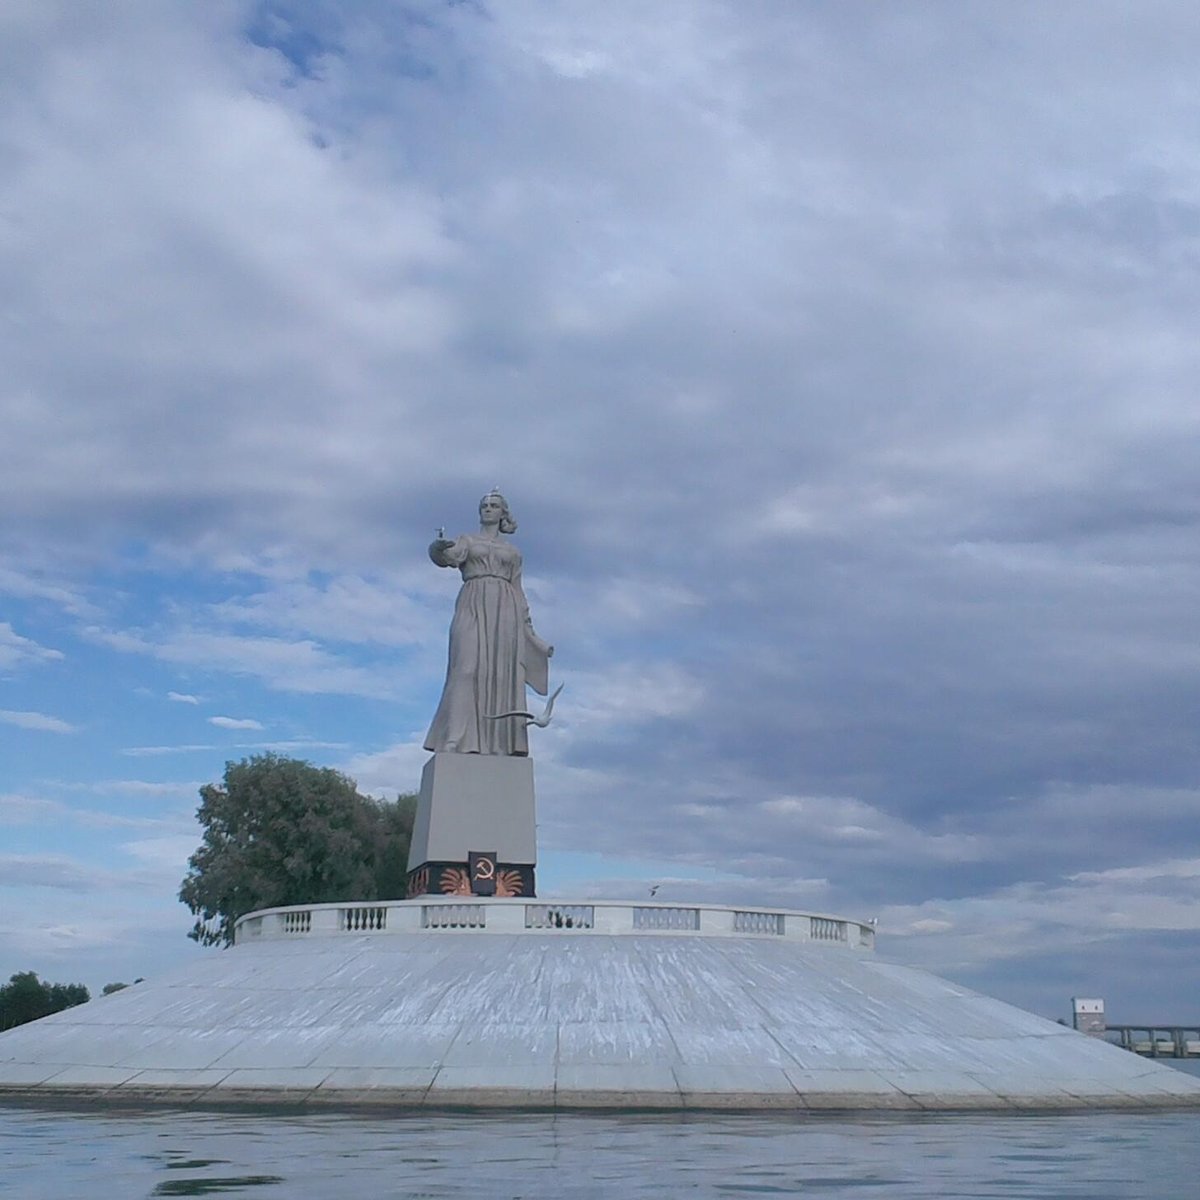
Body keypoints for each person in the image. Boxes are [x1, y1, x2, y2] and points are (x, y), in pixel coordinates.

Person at [424, 491, 553, 756]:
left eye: (494, 506)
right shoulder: (467, 541)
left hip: (506, 610)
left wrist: (531, 633)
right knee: (466, 669)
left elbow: (519, 590)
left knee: (500, 675)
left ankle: (500, 743)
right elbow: (446, 557)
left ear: (503, 513)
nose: (488, 509)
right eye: (484, 505)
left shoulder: (513, 552)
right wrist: (437, 548)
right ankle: (454, 738)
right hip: (472, 602)